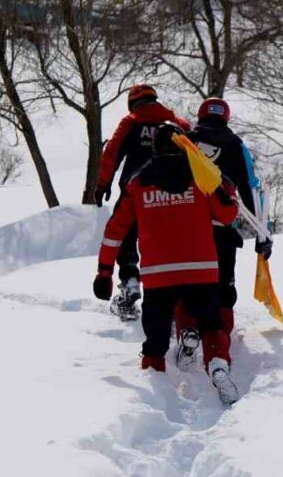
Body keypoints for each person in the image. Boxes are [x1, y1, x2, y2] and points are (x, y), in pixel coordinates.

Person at [93, 123, 241, 405]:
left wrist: (104, 272)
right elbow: (227, 215)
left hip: (158, 276)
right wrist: (227, 189)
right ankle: (217, 364)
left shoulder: (137, 182)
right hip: (201, 271)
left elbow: (115, 231)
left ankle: (156, 399)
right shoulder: (202, 176)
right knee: (212, 325)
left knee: (155, 343)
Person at [174, 98, 270, 367]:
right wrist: (263, 233)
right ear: (225, 117)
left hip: (187, 229)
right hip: (223, 230)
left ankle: (187, 330)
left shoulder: (185, 141)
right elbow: (251, 188)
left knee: (186, 286)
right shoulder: (236, 146)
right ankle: (219, 344)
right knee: (223, 287)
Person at [94, 84, 191, 318]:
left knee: (125, 236)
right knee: (167, 243)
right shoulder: (179, 124)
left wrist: (103, 184)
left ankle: (129, 281)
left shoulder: (131, 122)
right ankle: (175, 298)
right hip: (175, 196)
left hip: (135, 193)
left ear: (132, 102)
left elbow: (111, 153)